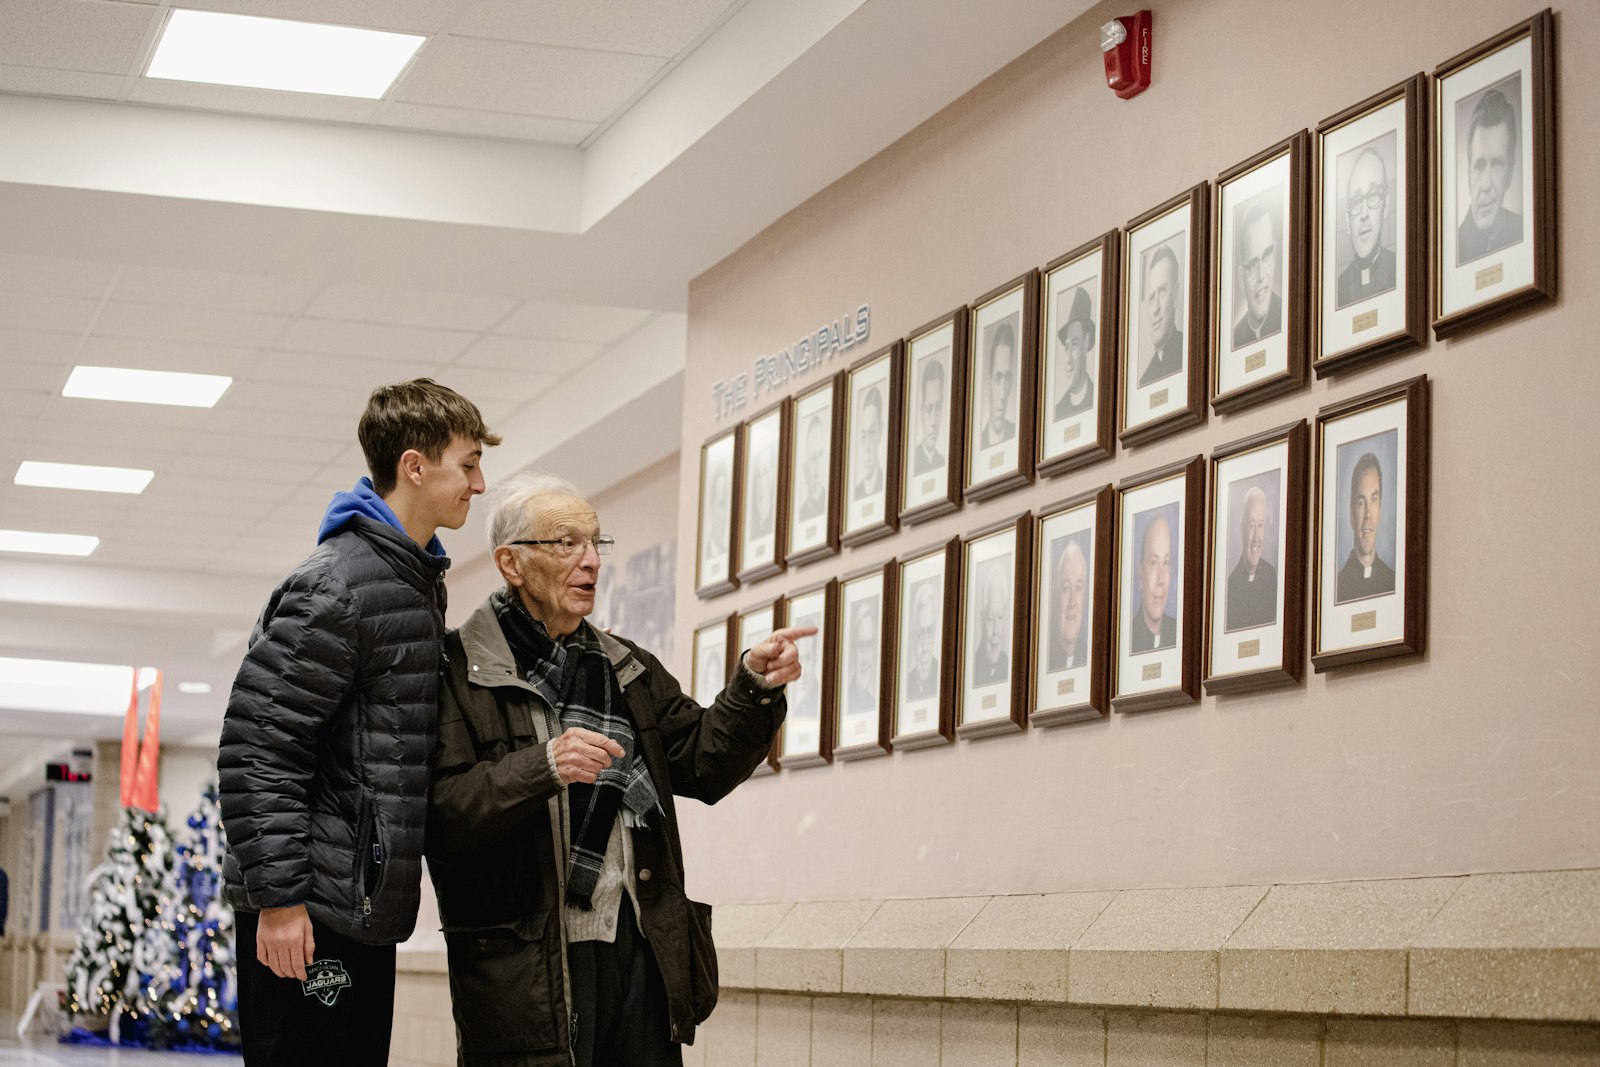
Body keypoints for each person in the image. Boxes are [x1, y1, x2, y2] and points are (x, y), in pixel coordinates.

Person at [427, 472, 811, 1066]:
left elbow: (702, 763)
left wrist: (753, 687)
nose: (590, 562)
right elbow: (440, 815)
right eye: (565, 544)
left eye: (596, 543)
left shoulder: (624, 665)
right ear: (511, 564)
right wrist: (543, 766)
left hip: (640, 944)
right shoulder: (456, 671)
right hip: (529, 963)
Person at [217, 379, 500, 1066]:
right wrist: (281, 903)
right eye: (467, 463)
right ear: (414, 465)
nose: (480, 482)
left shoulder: (405, 581)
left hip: (358, 907)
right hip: (309, 914)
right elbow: (259, 747)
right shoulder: (339, 585)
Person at [1457, 87, 1523, 263]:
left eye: (1496, 165)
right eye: (1479, 166)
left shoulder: (1524, 230)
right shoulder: (1453, 250)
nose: (1486, 185)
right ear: (1468, 174)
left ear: (1509, 173)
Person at [1337, 146, 1398, 307]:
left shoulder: (1401, 270)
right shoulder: (1337, 291)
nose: (1364, 213)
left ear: (1385, 206)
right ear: (1347, 220)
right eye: (1356, 202)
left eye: (1372, 196)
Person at [1336, 452, 1396, 602]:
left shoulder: (1393, 580)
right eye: (1361, 503)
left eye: (1374, 500)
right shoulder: (1338, 586)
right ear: (1351, 515)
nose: (1368, 514)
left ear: (1380, 509)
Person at [1225, 486, 1277, 630]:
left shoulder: (1272, 577)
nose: (1256, 537)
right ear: (1242, 530)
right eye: (1251, 526)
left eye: (1260, 525)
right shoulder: (1230, 589)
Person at [1232, 201, 1282, 348]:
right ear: (1241, 278)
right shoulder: (1234, 338)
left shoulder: (1289, 318)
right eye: (1253, 264)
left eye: (1266, 255)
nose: (1261, 275)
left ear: (1275, 254)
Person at [1129, 513, 1176, 654]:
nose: (1161, 579)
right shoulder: (1127, 639)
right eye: (1154, 563)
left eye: (1166, 562)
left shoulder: (1179, 632)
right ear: (1140, 574)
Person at [1139, 244, 1184, 387]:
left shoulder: (1186, 355)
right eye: (1152, 297)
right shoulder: (1145, 380)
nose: (1155, 308)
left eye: (1162, 292)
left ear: (1176, 296)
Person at [1046, 538, 1088, 671]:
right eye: (1066, 588)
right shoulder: (1045, 658)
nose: (1072, 602)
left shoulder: (1089, 656)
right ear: (1056, 594)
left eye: (1078, 587)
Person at [1054, 287, 1095, 420]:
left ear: (1086, 342)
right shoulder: (1058, 411)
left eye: (1075, 345)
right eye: (1067, 347)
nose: (1068, 359)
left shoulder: (1097, 399)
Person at [978, 322, 1017, 448]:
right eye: (998, 378)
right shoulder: (978, 443)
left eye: (1007, 379)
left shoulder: (1016, 433)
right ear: (989, 384)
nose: (1002, 394)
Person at [970, 567, 1010, 686]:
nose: (996, 631)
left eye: (1001, 617)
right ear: (982, 619)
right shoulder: (972, 668)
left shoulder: (1010, 666)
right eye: (991, 619)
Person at [903, 583, 940, 702]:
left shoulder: (942, 678)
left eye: (929, 634)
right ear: (913, 637)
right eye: (920, 635)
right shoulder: (904, 686)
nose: (925, 648)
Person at [911, 359, 946, 476]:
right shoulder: (911, 462)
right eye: (929, 409)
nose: (933, 422)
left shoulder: (943, 461)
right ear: (921, 411)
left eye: (938, 408)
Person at [845, 601, 879, 714]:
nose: (865, 659)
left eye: (869, 645)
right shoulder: (845, 701)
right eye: (861, 646)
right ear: (853, 650)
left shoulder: (875, 703)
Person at [852, 386, 885, 500]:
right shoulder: (855, 493)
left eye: (871, 433)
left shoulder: (885, 484)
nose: (867, 447)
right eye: (863, 435)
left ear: (880, 432)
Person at [796, 415, 828, 523]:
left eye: (820, 455)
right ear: (804, 468)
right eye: (813, 459)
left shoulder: (831, 505)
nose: (817, 472)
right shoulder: (799, 514)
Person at [702, 466, 730, 560]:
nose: (725, 515)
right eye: (721, 505)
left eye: (727, 505)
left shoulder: (729, 553)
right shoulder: (705, 555)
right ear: (711, 509)